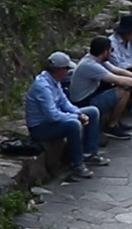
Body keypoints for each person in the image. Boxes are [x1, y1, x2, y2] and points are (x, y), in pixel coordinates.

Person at [25, 51, 108, 181]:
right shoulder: (43, 87)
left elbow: (64, 103)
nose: (68, 71)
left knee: (92, 111)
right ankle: (76, 164)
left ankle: (90, 152)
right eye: (66, 69)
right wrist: (75, 117)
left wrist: (78, 113)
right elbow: (52, 115)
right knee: (73, 125)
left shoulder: (55, 81)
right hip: (40, 127)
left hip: (53, 121)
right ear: (59, 70)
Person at [66, 37, 132, 138]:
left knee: (121, 88)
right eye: (111, 50)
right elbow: (119, 79)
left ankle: (116, 122)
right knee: (123, 91)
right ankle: (111, 126)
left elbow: (118, 70)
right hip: (84, 102)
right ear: (105, 52)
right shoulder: (90, 65)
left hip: (92, 94)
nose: (111, 53)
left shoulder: (96, 59)